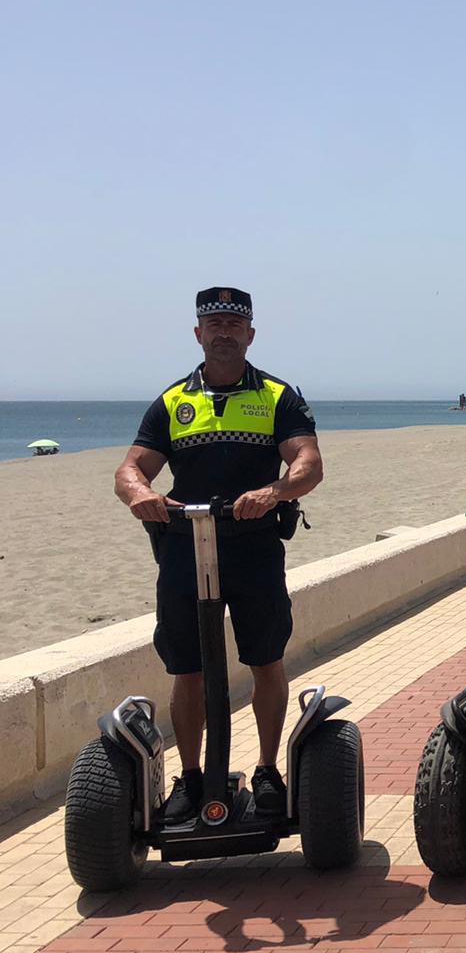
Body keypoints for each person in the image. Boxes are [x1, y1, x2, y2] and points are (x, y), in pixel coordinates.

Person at [113, 288, 323, 825]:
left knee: (265, 661)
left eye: (234, 324)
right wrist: (140, 494)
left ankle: (268, 770)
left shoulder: (277, 397)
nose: (224, 332)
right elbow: (130, 468)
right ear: (198, 333)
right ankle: (190, 776)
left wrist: (274, 492)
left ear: (250, 335)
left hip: (252, 547)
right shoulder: (173, 401)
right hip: (185, 548)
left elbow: (308, 463)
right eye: (214, 323)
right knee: (188, 670)